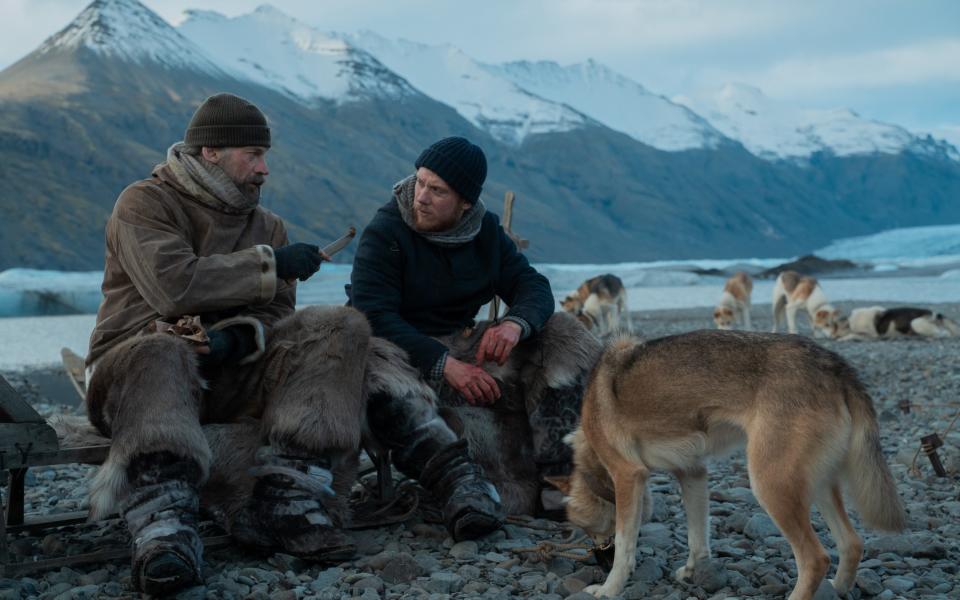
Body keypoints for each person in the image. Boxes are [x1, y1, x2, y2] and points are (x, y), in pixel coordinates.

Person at [84, 96, 502, 596]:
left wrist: (236, 338)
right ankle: (163, 529)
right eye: (253, 154)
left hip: (228, 373)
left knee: (343, 328)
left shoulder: (267, 225)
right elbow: (172, 286)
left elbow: (275, 318)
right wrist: (270, 265)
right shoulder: (145, 203)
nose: (264, 169)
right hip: (134, 374)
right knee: (162, 350)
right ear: (210, 151)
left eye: (266, 156)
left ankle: (288, 497)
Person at [350, 137, 601, 516]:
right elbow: (374, 315)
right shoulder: (386, 231)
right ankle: (464, 485)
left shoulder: (484, 231)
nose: (420, 197)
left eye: (437, 191)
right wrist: (444, 364)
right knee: (376, 357)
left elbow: (532, 286)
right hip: (398, 354)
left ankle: (562, 477)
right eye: (420, 182)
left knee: (564, 332)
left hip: (465, 344)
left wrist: (515, 325)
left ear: (465, 202)